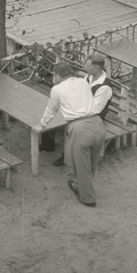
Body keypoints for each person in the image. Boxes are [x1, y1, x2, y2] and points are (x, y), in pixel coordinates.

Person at [34, 62, 106, 207]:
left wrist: (41, 125)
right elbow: (81, 77)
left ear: (57, 75)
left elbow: (51, 109)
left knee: (80, 164)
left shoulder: (57, 89)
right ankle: (81, 185)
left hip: (80, 128)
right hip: (98, 124)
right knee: (92, 161)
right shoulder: (83, 82)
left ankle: (87, 198)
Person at [51, 54, 113, 167]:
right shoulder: (89, 77)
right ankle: (48, 145)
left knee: (71, 125)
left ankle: (68, 156)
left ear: (96, 68)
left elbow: (95, 110)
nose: (84, 66)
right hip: (81, 110)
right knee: (53, 111)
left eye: (87, 65)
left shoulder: (104, 87)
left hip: (92, 118)